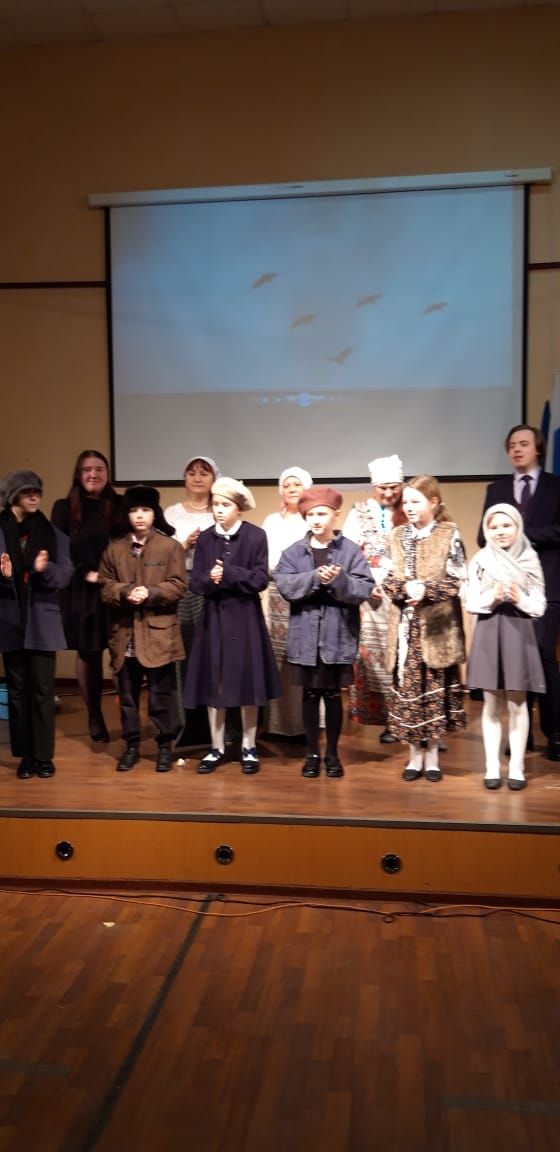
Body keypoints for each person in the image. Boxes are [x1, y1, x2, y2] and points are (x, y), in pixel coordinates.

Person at [275, 485, 374, 779]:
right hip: (305, 638)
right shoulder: (294, 552)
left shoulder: (350, 550)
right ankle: (312, 754)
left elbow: (363, 588)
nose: (316, 520)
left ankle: (332, 753)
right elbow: (285, 585)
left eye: (322, 514)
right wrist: (315, 577)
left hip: (337, 636)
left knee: (332, 695)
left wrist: (339, 580)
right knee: (309, 694)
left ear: (335, 515)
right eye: (310, 515)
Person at [184, 478, 282, 775]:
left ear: (238, 508)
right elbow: (196, 582)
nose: (219, 510)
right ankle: (216, 747)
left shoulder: (255, 536)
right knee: (214, 682)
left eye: (225, 505)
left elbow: (259, 579)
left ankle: (249, 746)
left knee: (246, 682)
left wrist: (228, 573)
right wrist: (210, 578)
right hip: (213, 618)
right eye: (215, 504)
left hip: (244, 617)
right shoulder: (205, 539)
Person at [478, 424, 560, 761]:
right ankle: (519, 734)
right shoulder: (496, 488)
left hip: (547, 584)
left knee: (542, 655)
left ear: (538, 448)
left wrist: (523, 535)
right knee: (513, 662)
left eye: (524, 443)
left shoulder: (556, 485)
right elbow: (483, 537)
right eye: (512, 444)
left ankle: (554, 732)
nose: (517, 449)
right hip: (503, 591)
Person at [383, 476, 467, 783]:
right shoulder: (396, 536)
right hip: (405, 628)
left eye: (415, 501)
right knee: (409, 693)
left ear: (433, 502)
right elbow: (387, 579)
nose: (409, 507)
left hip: (436, 629)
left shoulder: (448, 533)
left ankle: (432, 756)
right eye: (405, 502)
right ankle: (413, 757)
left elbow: (458, 580)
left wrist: (427, 590)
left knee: (433, 692)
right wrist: (404, 588)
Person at [98, 485, 186, 773]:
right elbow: (105, 585)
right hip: (124, 634)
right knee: (127, 697)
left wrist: (150, 592)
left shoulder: (170, 547)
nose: (139, 515)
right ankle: (132, 745)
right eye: (134, 510)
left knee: (161, 695)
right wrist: (125, 592)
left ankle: (165, 746)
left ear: (154, 513)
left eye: (145, 510)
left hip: (159, 634)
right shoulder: (115, 548)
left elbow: (178, 585)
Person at [467, 503, 545, 791]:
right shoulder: (480, 559)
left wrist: (519, 598)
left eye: (506, 525)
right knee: (491, 703)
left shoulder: (530, 559)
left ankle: (517, 767)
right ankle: (491, 766)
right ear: (486, 530)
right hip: (488, 632)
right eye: (493, 526)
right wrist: (494, 596)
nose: (500, 531)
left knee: (517, 703)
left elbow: (539, 605)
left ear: (517, 526)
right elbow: (471, 601)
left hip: (518, 633)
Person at [0, 470, 73, 779]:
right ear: (12, 496)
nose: (34, 496)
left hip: (41, 621)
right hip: (10, 621)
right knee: (17, 691)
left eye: (37, 492)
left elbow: (66, 574)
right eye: (27, 491)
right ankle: (25, 756)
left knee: (42, 690)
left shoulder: (51, 533)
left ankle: (43, 756)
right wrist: (3, 576)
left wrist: (45, 569)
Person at [51, 450, 123, 743]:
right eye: (87, 469)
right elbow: (59, 550)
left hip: (116, 588)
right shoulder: (64, 508)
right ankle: (95, 716)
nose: (93, 474)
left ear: (107, 473)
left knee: (122, 654)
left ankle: (128, 716)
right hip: (82, 591)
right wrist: (86, 574)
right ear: (78, 474)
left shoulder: (121, 505)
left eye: (99, 468)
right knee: (89, 653)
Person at [343, 454, 406, 741]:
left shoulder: (410, 507)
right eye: (383, 487)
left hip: (403, 597)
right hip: (369, 600)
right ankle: (387, 719)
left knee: (404, 657)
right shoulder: (359, 512)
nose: (389, 493)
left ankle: (413, 719)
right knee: (374, 657)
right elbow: (348, 554)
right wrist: (364, 584)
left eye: (394, 487)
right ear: (373, 486)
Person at [164, 455, 220, 747]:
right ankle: (184, 724)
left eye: (204, 473)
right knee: (181, 654)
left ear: (214, 479)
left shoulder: (220, 510)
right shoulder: (171, 513)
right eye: (192, 472)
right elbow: (160, 554)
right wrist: (185, 544)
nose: (198, 478)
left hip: (211, 587)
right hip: (180, 585)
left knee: (211, 654)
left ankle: (217, 727)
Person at [262, 466, 313, 737]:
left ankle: (306, 724)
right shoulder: (272, 521)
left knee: (304, 656)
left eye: (297, 484)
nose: (292, 489)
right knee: (278, 655)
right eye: (287, 485)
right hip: (276, 595)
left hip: (307, 593)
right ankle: (278, 724)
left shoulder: (312, 517)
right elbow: (264, 556)